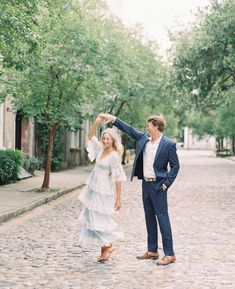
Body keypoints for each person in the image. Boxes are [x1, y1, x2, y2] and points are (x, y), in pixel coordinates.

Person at [99, 113, 180, 266]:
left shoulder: (168, 144)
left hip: (159, 186)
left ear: (156, 126)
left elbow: (175, 166)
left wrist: (165, 184)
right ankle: (152, 250)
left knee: (162, 219)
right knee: (149, 218)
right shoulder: (144, 138)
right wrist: (113, 119)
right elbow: (129, 129)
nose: (146, 128)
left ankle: (170, 254)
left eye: (149, 125)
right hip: (146, 185)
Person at [78, 115, 126, 262]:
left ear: (113, 141)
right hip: (93, 188)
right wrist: (97, 122)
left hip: (104, 190)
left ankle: (108, 246)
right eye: (104, 138)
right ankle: (105, 248)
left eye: (108, 139)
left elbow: (118, 178)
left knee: (99, 219)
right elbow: (90, 135)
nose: (105, 141)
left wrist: (118, 199)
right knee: (90, 217)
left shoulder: (114, 157)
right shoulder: (100, 149)